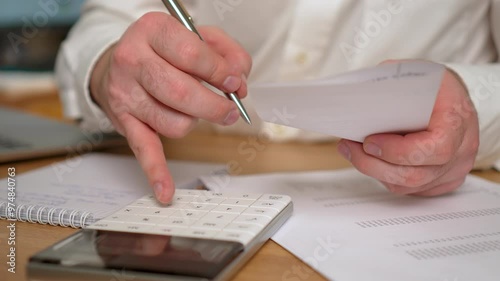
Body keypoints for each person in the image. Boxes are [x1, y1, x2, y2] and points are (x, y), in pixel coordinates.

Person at [56, 0, 500, 203]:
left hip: (440, 194)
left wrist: (472, 106)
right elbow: (108, 19)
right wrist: (108, 66)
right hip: (202, 157)